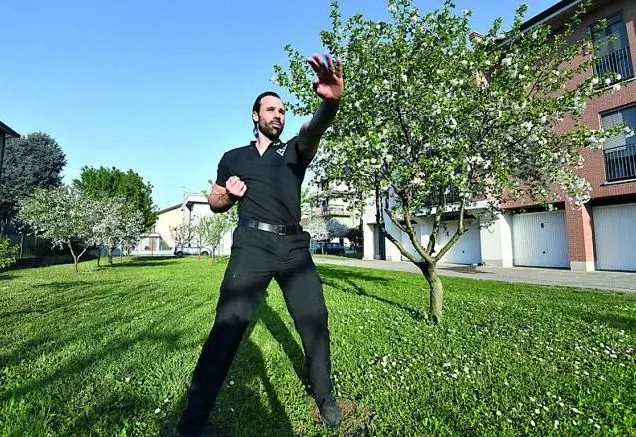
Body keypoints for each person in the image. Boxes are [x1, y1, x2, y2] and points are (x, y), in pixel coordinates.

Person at [177, 53, 345, 436]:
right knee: (227, 329)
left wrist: (329, 104)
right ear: (256, 115)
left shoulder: (293, 153)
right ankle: (193, 421)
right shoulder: (233, 157)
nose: (278, 115)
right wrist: (230, 196)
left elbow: (312, 130)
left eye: (282, 111)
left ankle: (325, 397)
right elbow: (216, 201)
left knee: (315, 322)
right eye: (271, 109)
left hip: (294, 249)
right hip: (250, 245)